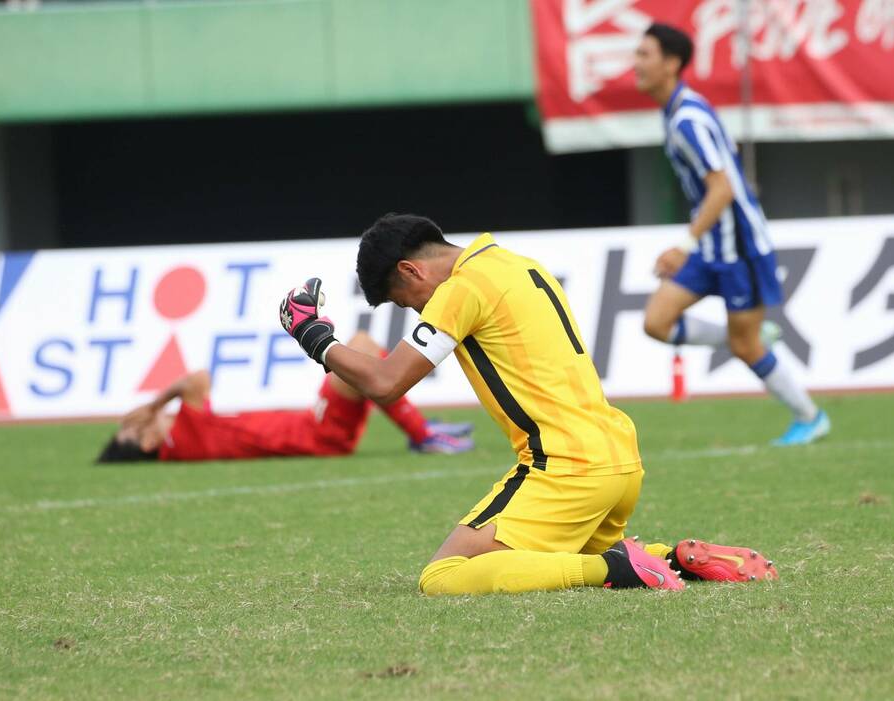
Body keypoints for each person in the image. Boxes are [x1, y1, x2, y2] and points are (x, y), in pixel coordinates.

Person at [279, 214, 778, 595]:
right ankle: (669, 557)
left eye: (408, 301)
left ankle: (616, 568)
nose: (419, 311)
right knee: (551, 554)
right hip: (620, 459)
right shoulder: (518, 264)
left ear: (411, 269)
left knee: (444, 575)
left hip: (565, 467)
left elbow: (386, 382)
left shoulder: (461, 288)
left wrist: (313, 335)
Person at [634, 22, 830, 446]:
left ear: (671, 63)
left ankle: (809, 416)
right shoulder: (682, 110)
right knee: (656, 322)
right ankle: (747, 337)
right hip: (711, 246)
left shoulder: (686, 119)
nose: (637, 63)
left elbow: (722, 187)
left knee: (747, 348)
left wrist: (682, 246)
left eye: (645, 54)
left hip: (739, 248)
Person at [96, 331, 474, 463]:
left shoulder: (186, 438)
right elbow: (196, 378)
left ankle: (419, 431)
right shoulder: (182, 438)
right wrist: (154, 405)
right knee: (360, 350)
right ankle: (423, 436)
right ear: (148, 440)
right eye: (132, 429)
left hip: (314, 428)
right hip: (319, 435)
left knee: (363, 350)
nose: (136, 419)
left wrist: (153, 413)